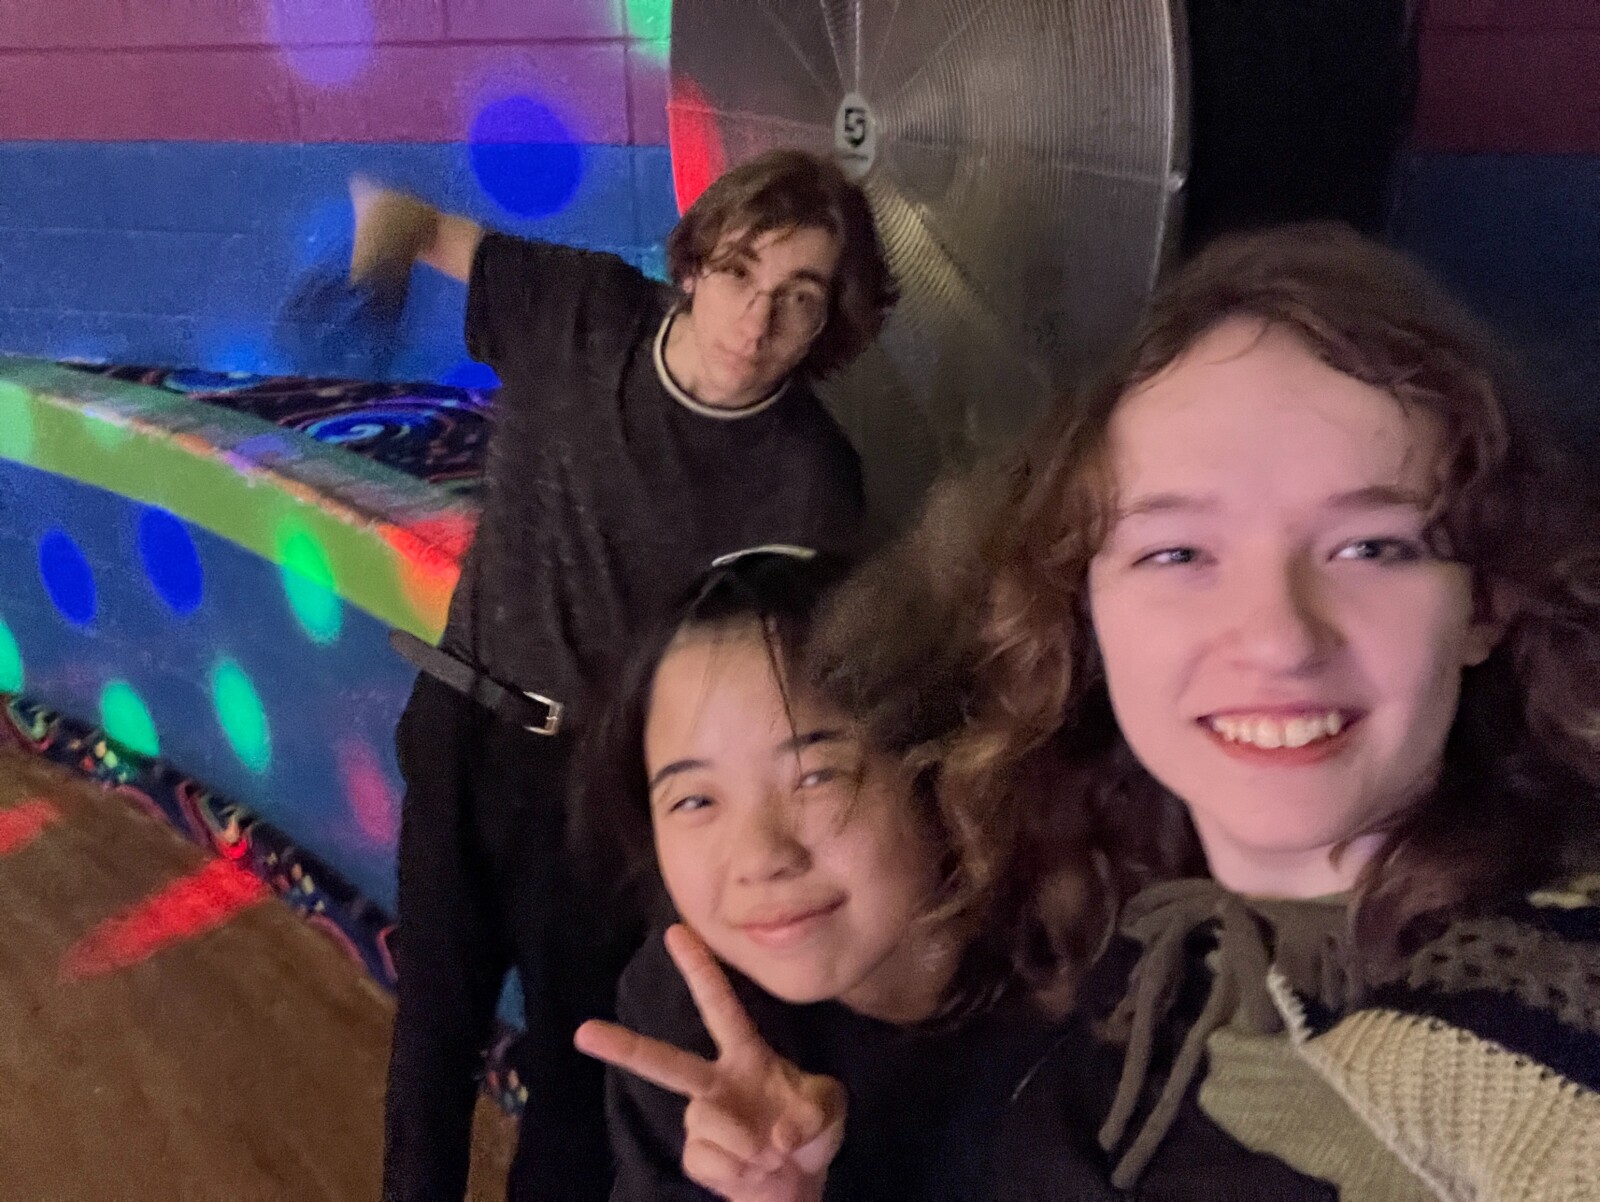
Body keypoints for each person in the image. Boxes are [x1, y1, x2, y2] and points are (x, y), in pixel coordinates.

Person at [812, 223, 1600, 1199]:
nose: (1278, 638)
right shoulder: (1099, 948)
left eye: (1370, 547)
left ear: (1484, 601)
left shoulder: (1564, 1032)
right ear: (1079, 606)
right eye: (1178, 553)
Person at [358, 149, 899, 1202]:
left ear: (827, 321)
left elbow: (786, 689)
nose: (757, 319)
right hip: (463, 718)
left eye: (798, 297)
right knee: (430, 1037)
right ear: (694, 265)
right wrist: (368, 270)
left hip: (606, 795)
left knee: (580, 1073)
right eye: (739, 272)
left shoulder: (811, 479)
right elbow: (403, 214)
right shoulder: (581, 308)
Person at [568, 550, 1050, 1201]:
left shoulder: (1096, 985)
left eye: (816, 777)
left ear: (939, 770)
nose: (760, 857)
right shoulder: (686, 1023)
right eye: (695, 800)